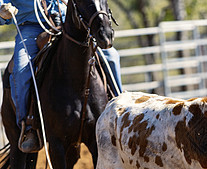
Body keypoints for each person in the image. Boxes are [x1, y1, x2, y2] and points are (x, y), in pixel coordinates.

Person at [0, 0, 122, 153]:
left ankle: (120, 111)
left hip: (70, 22)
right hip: (32, 27)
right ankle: (28, 126)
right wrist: (2, 12)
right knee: (21, 69)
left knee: (111, 56)